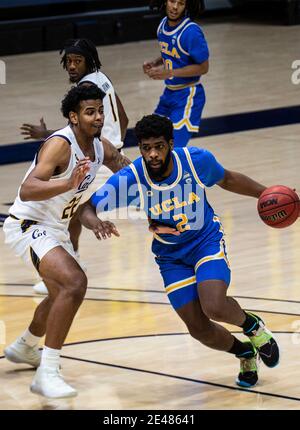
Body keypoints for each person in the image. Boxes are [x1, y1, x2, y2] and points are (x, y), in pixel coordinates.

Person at [81, 114, 280, 387]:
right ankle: (244, 352)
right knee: (198, 329)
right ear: (139, 148)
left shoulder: (195, 161)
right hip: (170, 256)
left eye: (159, 146)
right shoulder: (131, 178)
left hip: (205, 240)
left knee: (215, 305)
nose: (152, 154)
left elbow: (229, 179)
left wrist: (268, 195)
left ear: (171, 144)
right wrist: (95, 223)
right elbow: (87, 207)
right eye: (146, 147)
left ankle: (253, 327)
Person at [3, 85, 130, 399]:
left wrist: (95, 220)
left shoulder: (101, 148)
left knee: (61, 291)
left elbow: (130, 174)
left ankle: (26, 346)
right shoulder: (60, 145)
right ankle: (47, 373)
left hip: (55, 228)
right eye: (90, 112)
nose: (98, 117)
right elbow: (28, 190)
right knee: (75, 282)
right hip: (28, 224)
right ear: (74, 117)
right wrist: (66, 183)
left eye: (100, 111)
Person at [20, 38, 129, 294]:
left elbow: (75, 132)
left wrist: (46, 133)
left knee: (62, 211)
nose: (71, 66)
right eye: (68, 61)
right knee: (73, 210)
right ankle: (72, 261)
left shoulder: (86, 89)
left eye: (77, 61)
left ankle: (65, 268)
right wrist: (116, 144)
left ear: (89, 61)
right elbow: (123, 117)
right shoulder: (102, 79)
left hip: (96, 156)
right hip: (107, 152)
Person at [143, 0, 208, 147]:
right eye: (172, 1)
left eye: (181, 3)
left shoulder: (191, 32)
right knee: (152, 140)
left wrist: (170, 72)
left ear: (187, 6)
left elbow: (204, 67)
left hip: (189, 94)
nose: (175, 7)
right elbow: (172, 53)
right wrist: (155, 63)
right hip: (169, 93)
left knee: (174, 149)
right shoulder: (162, 26)